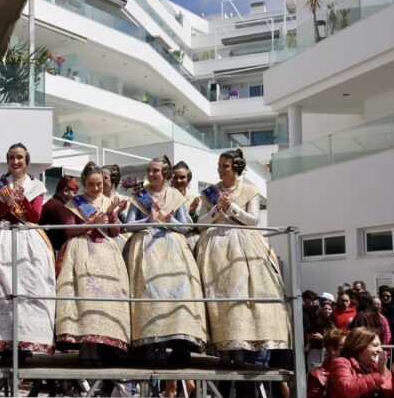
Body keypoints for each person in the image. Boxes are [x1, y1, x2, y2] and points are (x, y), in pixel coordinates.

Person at [195, 149, 290, 365]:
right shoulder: (209, 192)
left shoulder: (250, 190)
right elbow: (201, 223)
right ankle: (221, 349)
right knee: (216, 295)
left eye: (224, 166)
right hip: (214, 246)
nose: (220, 170)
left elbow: (254, 220)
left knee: (239, 295)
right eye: (219, 166)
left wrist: (232, 208)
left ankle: (239, 348)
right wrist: (216, 211)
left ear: (235, 168)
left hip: (242, 245)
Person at [0, 143, 55, 360]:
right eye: (11, 158)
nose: (15, 162)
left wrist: (21, 199)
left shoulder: (36, 186)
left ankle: (25, 340)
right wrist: (7, 203)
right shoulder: (0, 185)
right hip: (2, 236)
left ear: (27, 161)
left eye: (19, 158)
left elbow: (35, 216)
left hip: (26, 236)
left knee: (27, 284)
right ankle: (3, 340)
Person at [123, 156, 207, 366]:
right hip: (146, 248)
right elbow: (130, 226)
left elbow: (185, 227)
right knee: (150, 294)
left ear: (165, 174)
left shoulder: (175, 195)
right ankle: (151, 345)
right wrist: (148, 220)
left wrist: (171, 220)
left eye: (156, 171)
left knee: (172, 294)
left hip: (171, 248)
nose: (151, 175)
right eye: (149, 171)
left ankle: (170, 343)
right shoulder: (139, 196)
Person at [53, 163, 130, 366]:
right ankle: (84, 347)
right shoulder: (76, 203)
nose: (95, 189)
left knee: (99, 300)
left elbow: (114, 232)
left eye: (98, 184)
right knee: (82, 298)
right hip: (81, 251)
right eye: (91, 185)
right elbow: (69, 230)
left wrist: (112, 215)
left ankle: (96, 346)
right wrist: (92, 222)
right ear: (83, 184)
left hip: (105, 252)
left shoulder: (109, 201)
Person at [40, 176, 78, 256]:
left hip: (49, 248)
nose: (76, 196)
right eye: (74, 192)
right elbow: (69, 231)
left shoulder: (52, 203)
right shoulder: (59, 207)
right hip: (56, 250)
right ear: (65, 191)